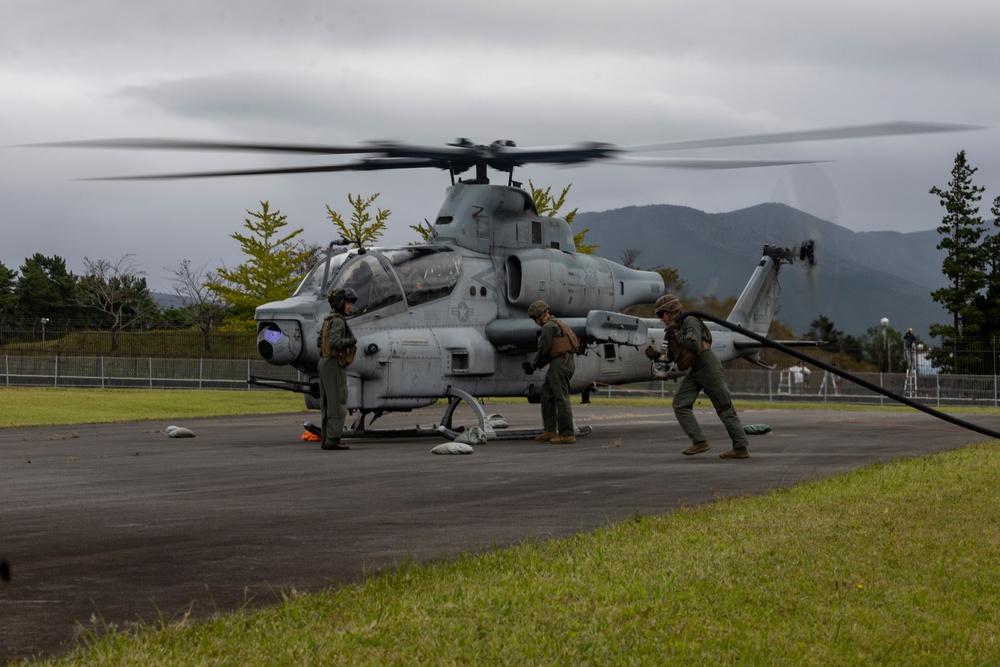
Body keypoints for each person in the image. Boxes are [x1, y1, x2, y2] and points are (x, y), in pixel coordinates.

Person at [646, 294, 750, 459]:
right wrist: (655, 355)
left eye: (661, 314)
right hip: (695, 369)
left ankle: (740, 447)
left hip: (707, 366)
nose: (660, 319)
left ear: (671, 311)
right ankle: (699, 441)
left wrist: (677, 332)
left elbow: (693, 344)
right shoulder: (674, 329)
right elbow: (673, 357)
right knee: (680, 404)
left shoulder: (689, 321)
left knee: (724, 407)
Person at [522, 300, 579, 444]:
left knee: (561, 398)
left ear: (540, 315)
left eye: (535, 318)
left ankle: (567, 434)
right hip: (562, 362)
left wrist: (532, 365)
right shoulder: (558, 323)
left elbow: (544, 349)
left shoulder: (548, 327)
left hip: (560, 364)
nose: (535, 322)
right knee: (547, 394)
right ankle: (550, 430)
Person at [316, 287, 358, 451]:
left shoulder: (328, 320)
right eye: (348, 303)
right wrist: (350, 342)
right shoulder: (339, 321)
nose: (350, 307)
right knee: (337, 401)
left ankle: (327, 438)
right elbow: (335, 342)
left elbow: (320, 342)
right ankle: (333, 439)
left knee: (327, 403)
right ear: (341, 303)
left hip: (324, 362)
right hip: (333, 363)